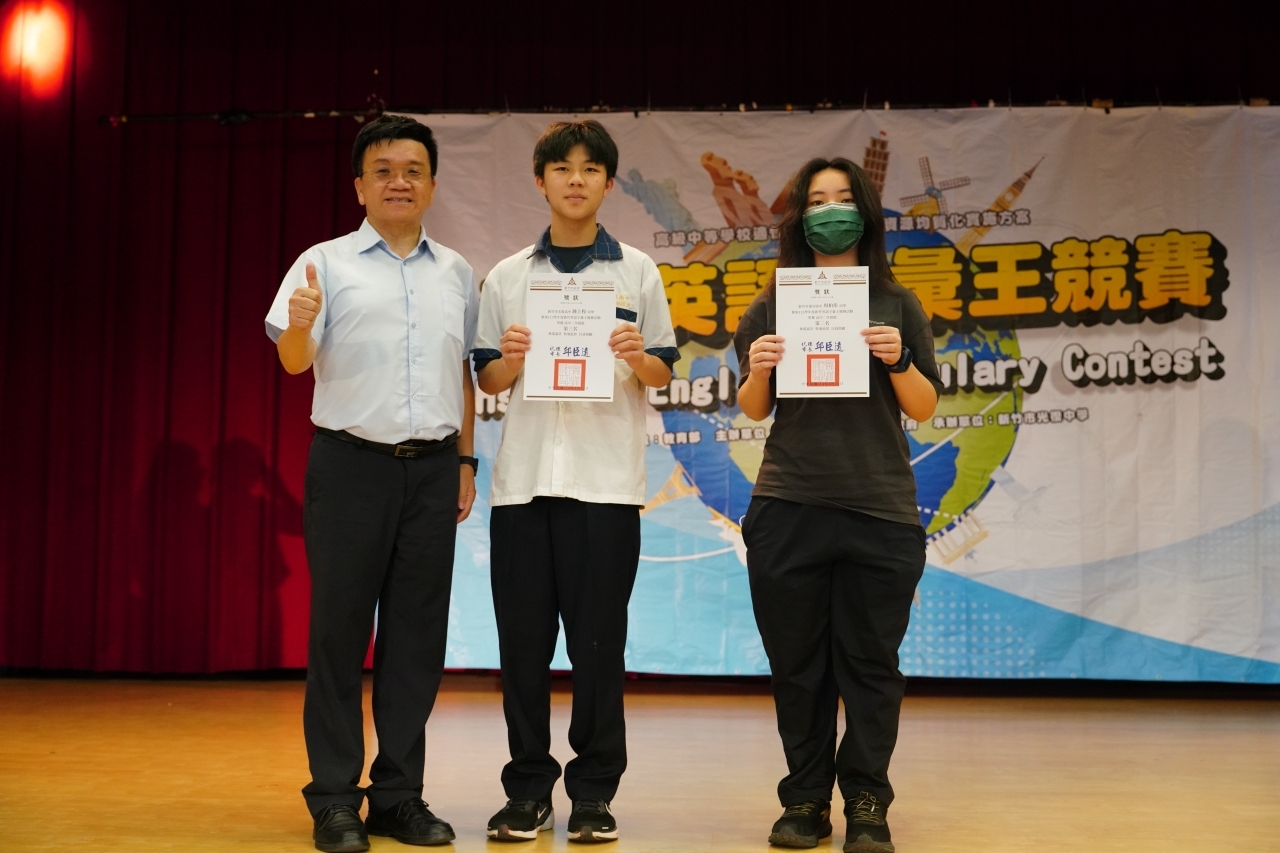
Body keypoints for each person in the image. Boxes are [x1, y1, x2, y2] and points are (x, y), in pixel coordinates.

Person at [264, 114, 479, 853]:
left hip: (433, 470)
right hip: (350, 466)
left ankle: (398, 796)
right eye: (383, 170)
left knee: (416, 640)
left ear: (432, 185)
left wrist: (465, 462)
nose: (398, 182)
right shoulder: (322, 264)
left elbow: (463, 373)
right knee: (338, 634)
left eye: (413, 170)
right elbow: (294, 361)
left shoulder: (457, 272)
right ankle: (333, 798)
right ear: (359, 185)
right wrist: (300, 324)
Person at [470, 120, 677, 844]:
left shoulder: (637, 272)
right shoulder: (507, 276)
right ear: (541, 181)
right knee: (522, 649)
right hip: (524, 488)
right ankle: (527, 788)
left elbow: (663, 371)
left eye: (591, 168)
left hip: (606, 488)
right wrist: (511, 358)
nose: (576, 179)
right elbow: (488, 378)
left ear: (609, 183)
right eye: (562, 168)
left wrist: (637, 354)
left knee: (597, 648)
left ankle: (593, 793)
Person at [733, 157, 941, 853]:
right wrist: (760, 367)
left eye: (843, 198)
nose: (830, 211)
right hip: (788, 502)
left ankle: (867, 801)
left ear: (866, 212)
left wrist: (898, 359)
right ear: (799, 218)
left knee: (871, 666)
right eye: (816, 201)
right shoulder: (772, 302)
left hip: (880, 508)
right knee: (798, 667)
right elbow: (754, 406)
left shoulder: (897, 302)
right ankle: (804, 800)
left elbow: (924, 405)